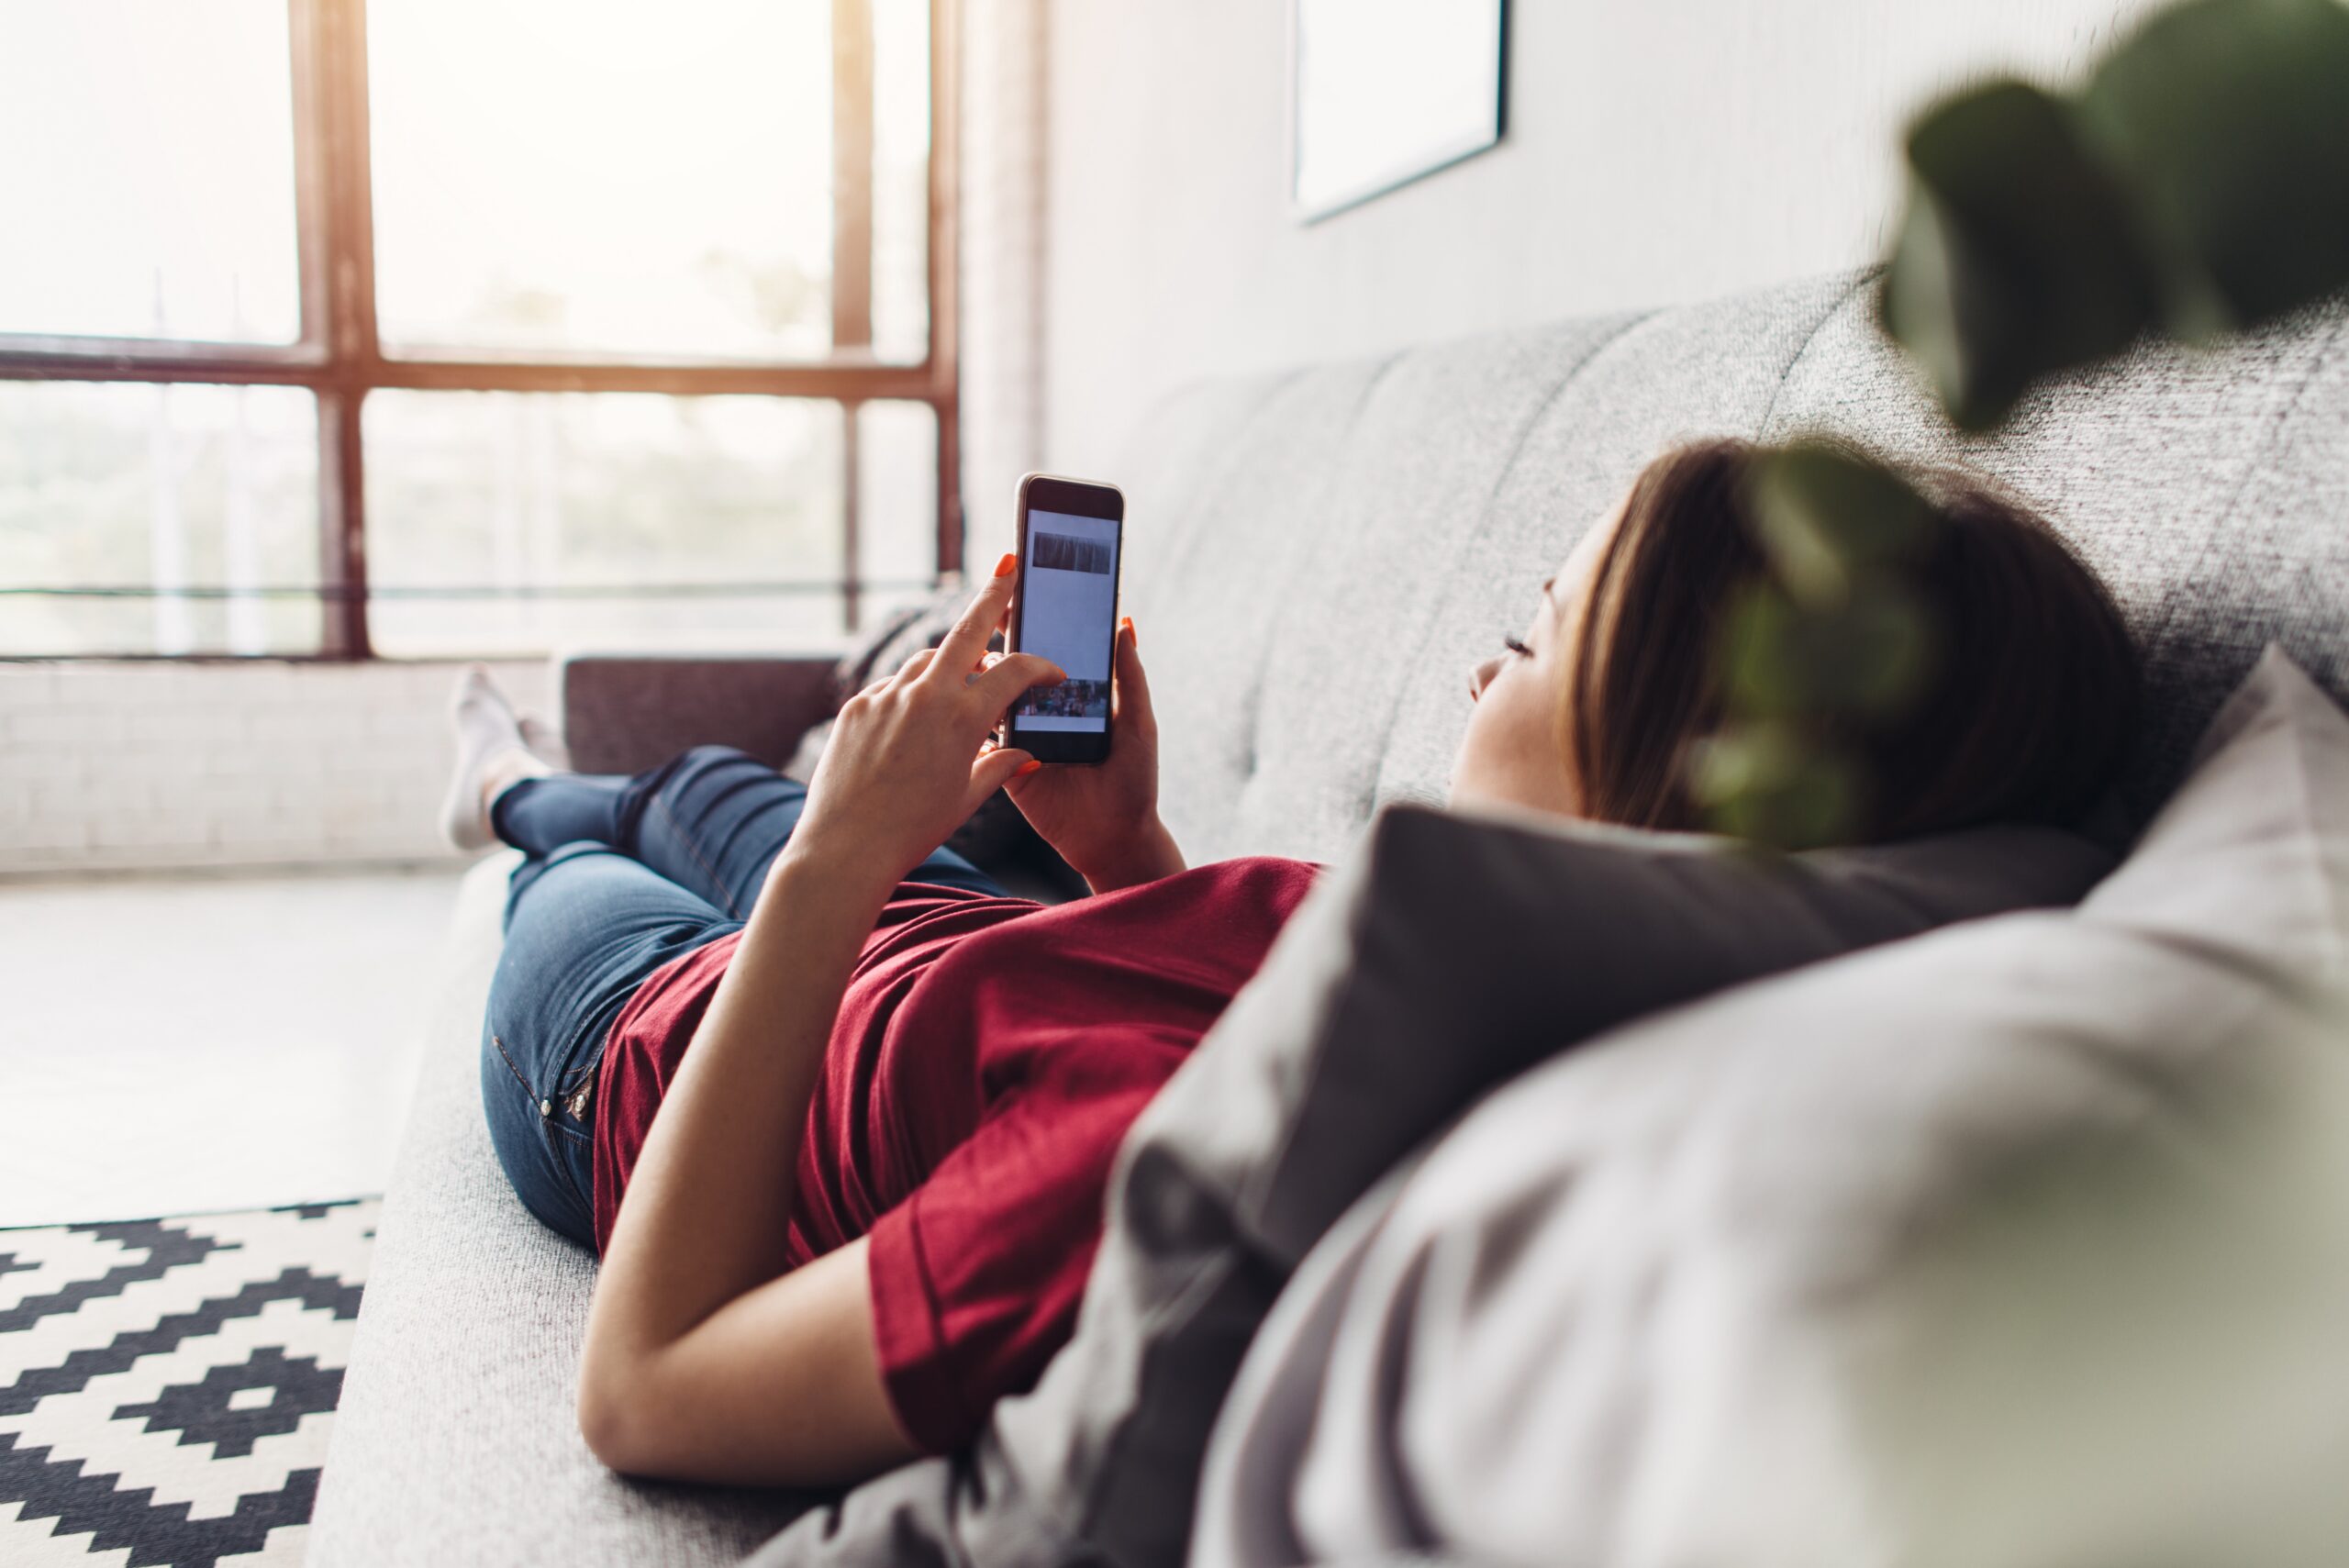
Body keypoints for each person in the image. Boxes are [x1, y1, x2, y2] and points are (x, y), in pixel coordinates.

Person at [444, 438, 2139, 1490]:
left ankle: (524, 804)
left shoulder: (1160, 1169)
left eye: (1538, 635)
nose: (1485, 668)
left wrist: (833, 867)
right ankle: (523, 773)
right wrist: (1122, 854)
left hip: (661, 1063)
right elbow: (1197, 999)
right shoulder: (1476, 966)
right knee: (716, 790)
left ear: (1673, 768)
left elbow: (643, 1389)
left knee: (588, 874)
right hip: (947, 944)